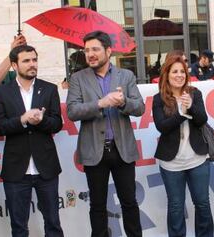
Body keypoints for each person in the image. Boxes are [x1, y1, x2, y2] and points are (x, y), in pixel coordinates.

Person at [66, 31, 144, 237]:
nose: (90, 54)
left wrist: (123, 102)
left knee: (129, 202)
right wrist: (101, 103)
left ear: (108, 51)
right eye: (86, 50)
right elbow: (72, 111)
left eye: (95, 49)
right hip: (94, 151)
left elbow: (140, 108)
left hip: (122, 150)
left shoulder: (125, 76)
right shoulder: (77, 78)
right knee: (98, 205)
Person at [0, 45, 64, 236]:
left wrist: (42, 120)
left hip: (46, 169)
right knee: (19, 227)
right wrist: (22, 120)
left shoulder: (49, 89)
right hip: (16, 170)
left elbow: (57, 124)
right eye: (26, 61)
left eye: (34, 60)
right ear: (14, 65)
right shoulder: (2, 93)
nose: (32, 64)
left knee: (53, 224)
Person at [152, 54, 213, 237]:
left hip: (198, 159)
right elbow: (162, 127)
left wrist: (192, 107)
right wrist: (182, 113)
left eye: (182, 72)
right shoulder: (159, 98)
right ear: (167, 74)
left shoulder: (195, 93)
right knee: (176, 207)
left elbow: (202, 120)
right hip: (171, 163)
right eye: (175, 71)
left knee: (202, 203)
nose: (179, 75)